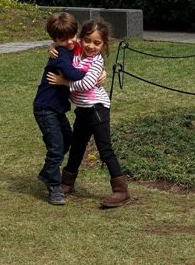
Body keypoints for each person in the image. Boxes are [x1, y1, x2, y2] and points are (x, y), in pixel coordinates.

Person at [47, 19, 131, 208]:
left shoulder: (96, 61)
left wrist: (64, 83)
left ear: (104, 45)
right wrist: (52, 45)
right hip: (83, 110)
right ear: (80, 38)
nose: (90, 46)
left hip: (97, 109)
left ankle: (121, 190)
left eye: (97, 43)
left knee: (105, 149)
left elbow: (86, 84)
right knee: (77, 146)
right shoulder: (76, 49)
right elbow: (64, 41)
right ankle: (67, 182)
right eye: (87, 40)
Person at [32, 12, 88, 205]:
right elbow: (72, 73)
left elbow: (85, 43)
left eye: (72, 36)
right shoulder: (61, 54)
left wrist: (57, 43)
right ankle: (54, 187)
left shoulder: (70, 45)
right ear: (55, 39)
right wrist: (90, 72)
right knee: (56, 149)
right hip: (45, 108)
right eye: (62, 39)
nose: (70, 41)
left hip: (57, 109)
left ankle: (47, 171)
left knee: (67, 140)